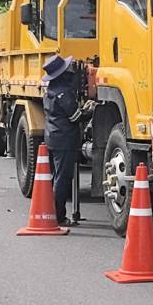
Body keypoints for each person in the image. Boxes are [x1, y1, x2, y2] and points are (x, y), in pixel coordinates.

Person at [42, 54, 92, 226]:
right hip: (64, 140)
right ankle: (59, 216)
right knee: (62, 179)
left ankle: (50, 212)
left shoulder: (50, 91)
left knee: (56, 177)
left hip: (52, 138)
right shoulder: (64, 92)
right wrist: (90, 110)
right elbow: (75, 117)